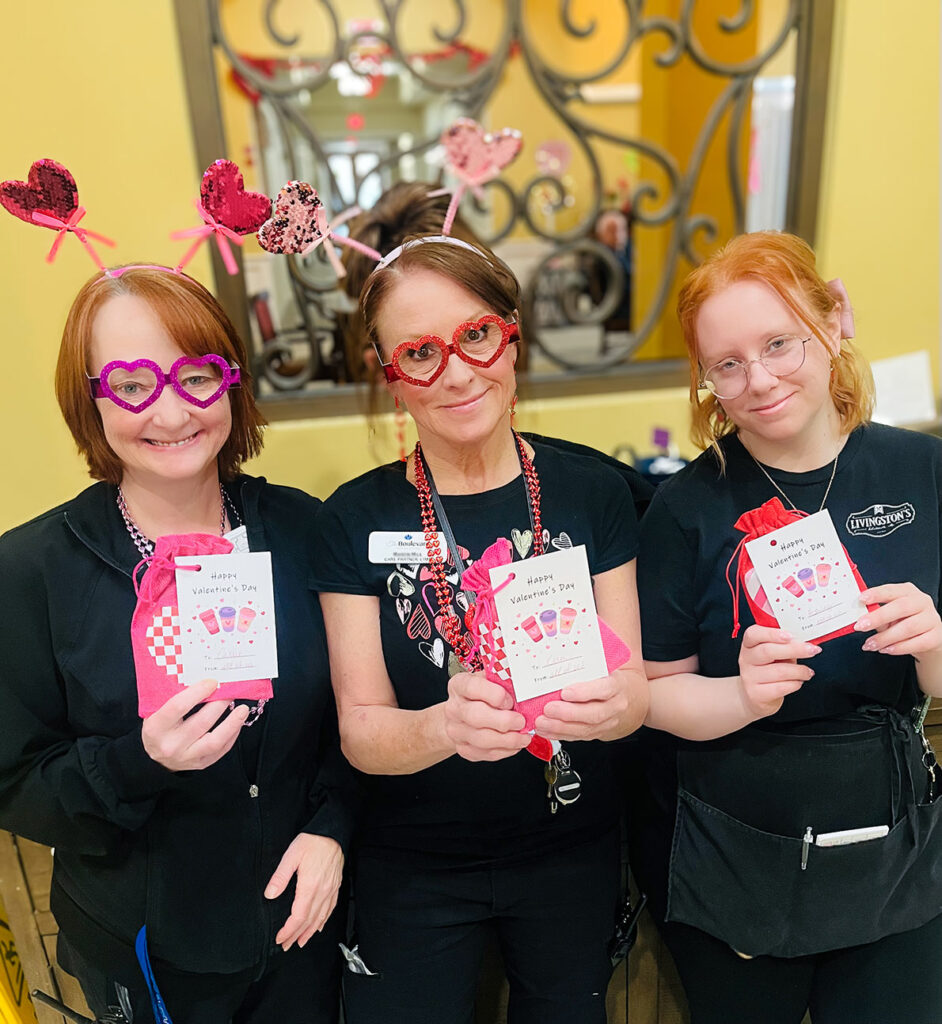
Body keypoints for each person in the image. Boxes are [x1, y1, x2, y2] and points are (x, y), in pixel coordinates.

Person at [311, 218, 649, 1023]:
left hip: (571, 845)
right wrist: (442, 730)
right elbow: (360, 727)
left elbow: (635, 686)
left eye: (476, 336)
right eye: (421, 352)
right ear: (391, 375)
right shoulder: (353, 517)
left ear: (513, 339)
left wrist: (615, 709)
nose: (456, 372)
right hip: (413, 862)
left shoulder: (594, 492)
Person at [0, 266, 357, 1023]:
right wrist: (139, 761)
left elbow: (351, 712)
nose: (170, 410)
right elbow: (16, 784)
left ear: (230, 383)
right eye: (131, 384)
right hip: (145, 950)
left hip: (303, 930)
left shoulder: (299, 530)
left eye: (197, 375)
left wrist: (332, 827)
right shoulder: (31, 570)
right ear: (90, 403)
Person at [634, 231, 942, 1023]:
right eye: (727, 363)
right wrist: (739, 694)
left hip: (893, 841)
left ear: (832, 319)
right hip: (735, 847)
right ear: (705, 379)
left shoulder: (922, 471)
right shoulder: (684, 508)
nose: (759, 380)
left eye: (780, 344)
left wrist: (936, 642)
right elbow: (650, 696)